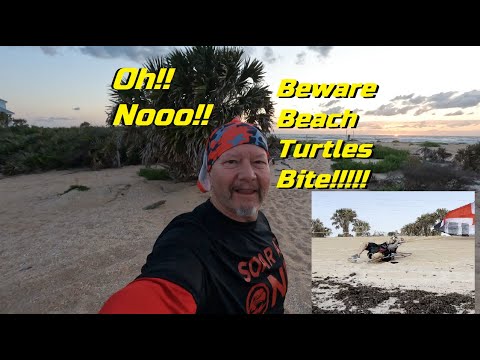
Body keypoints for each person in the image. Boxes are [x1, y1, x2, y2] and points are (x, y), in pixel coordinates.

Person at [99, 117, 288, 314]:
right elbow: (156, 294)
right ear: (210, 172)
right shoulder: (189, 239)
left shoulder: (262, 221)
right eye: (232, 161)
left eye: (258, 162)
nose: (249, 174)